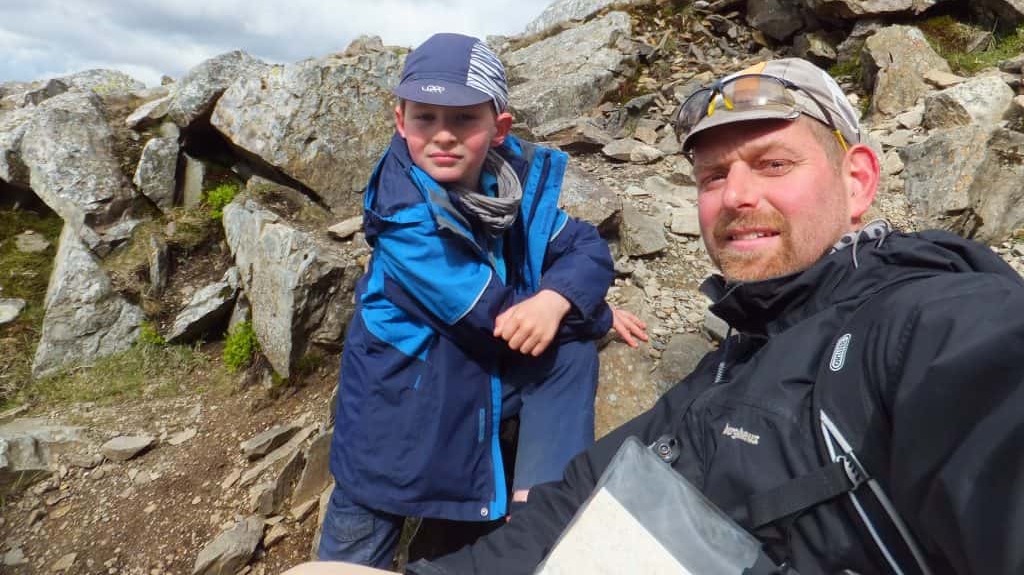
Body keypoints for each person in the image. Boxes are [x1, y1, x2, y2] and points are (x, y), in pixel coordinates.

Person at [293, 55, 1024, 575]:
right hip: (395, 429)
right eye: (713, 175)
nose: (736, 195)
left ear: (857, 180)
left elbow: (577, 245)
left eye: (772, 164)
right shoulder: (726, 370)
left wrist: (568, 300)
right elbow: (579, 494)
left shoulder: (930, 320)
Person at [317, 32, 647, 569]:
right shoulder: (405, 221)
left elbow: (583, 245)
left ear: (499, 129)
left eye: (465, 119)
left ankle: (538, 510)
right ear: (400, 122)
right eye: (425, 118)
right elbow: (494, 320)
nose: (443, 136)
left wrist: (560, 298)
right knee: (350, 563)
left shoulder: (502, 191)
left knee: (567, 354)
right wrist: (594, 312)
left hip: (462, 406)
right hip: (389, 441)